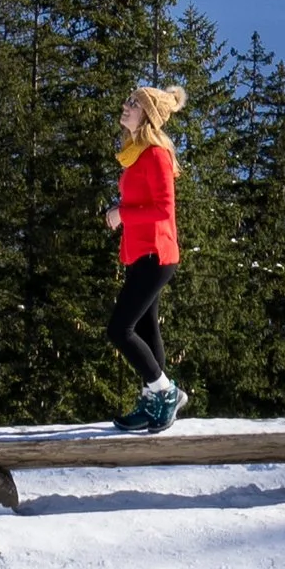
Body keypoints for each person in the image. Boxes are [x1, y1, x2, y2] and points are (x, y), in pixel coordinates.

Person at [110, 82, 186, 432]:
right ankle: (154, 399)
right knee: (145, 326)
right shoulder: (136, 152)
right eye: (128, 101)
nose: (126, 106)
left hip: (157, 253)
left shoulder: (156, 154)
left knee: (119, 330)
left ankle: (165, 391)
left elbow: (163, 209)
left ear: (148, 116)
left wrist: (122, 214)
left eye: (134, 104)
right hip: (142, 254)